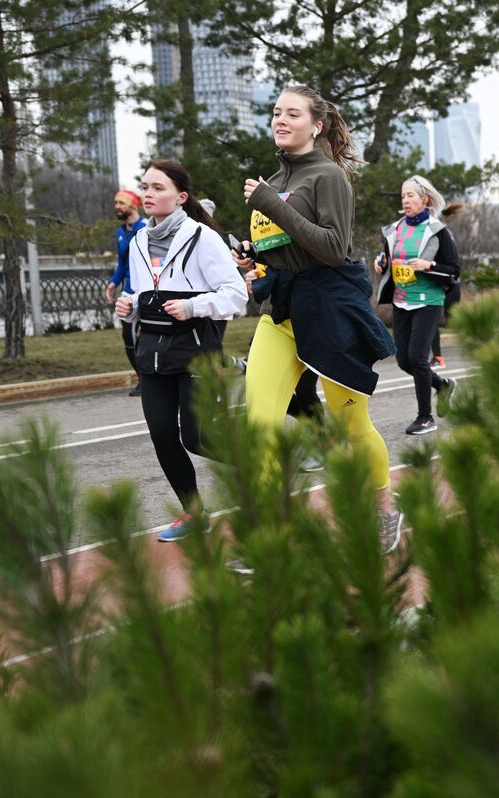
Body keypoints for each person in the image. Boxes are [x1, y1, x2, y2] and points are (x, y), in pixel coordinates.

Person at [239, 84, 403, 553]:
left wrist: (270, 204)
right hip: (282, 313)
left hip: (330, 308)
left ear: (317, 125)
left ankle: (384, 509)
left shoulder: (328, 176)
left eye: (292, 113)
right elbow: (283, 247)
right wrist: (253, 261)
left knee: (351, 425)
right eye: (276, 112)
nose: (280, 120)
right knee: (261, 425)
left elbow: (332, 247)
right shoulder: (277, 179)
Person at [115, 160, 247, 541]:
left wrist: (193, 306)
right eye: (145, 186)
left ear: (181, 197)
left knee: (196, 437)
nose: (148, 193)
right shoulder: (140, 239)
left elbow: (235, 295)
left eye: (158, 187)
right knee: (162, 435)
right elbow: (143, 294)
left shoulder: (202, 238)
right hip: (153, 353)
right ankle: (194, 514)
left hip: (194, 352)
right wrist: (129, 305)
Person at [375, 175, 458, 435]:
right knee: (403, 360)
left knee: (419, 358)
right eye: (403, 196)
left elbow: (454, 271)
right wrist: (382, 263)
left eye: (411, 195)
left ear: (425, 200)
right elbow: (388, 258)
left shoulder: (438, 231)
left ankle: (425, 417)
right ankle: (442, 386)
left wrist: (429, 266)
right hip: (402, 301)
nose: (406, 200)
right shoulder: (395, 229)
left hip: (429, 301)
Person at [106, 189, 147, 396]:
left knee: (147, 336)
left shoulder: (147, 227)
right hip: (127, 293)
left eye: (121, 203)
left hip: (147, 292)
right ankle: (142, 378)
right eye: (116, 203)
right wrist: (113, 283)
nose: (117, 207)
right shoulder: (120, 232)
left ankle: (151, 377)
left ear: (133, 205)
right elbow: (122, 263)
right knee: (129, 338)